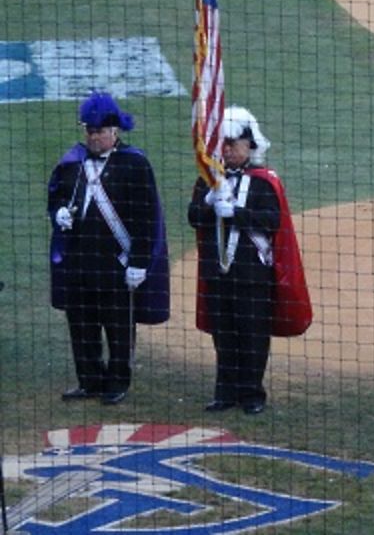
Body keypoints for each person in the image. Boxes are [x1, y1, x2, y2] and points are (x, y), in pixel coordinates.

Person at [48, 92, 169, 406]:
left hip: (117, 263)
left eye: (99, 131)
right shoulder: (74, 162)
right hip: (79, 262)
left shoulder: (135, 164)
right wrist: (58, 212)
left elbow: (146, 217)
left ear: (115, 130)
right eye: (89, 131)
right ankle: (89, 380)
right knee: (82, 326)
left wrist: (140, 262)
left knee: (118, 328)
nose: (93, 137)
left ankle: (117, 382)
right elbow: (57, 197)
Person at [189, 106, 311, 415]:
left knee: (253, 335)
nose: (228, 150)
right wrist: (208, 202)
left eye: (234, 144)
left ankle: (252, 394)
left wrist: (238, 214)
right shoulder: (208, 180)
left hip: (253, 275)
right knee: (224, 335)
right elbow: (193, 217)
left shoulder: (263, 181)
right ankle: (225, 392)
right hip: (218, 273)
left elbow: (272, 221)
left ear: (250, 146)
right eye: (224, 144)